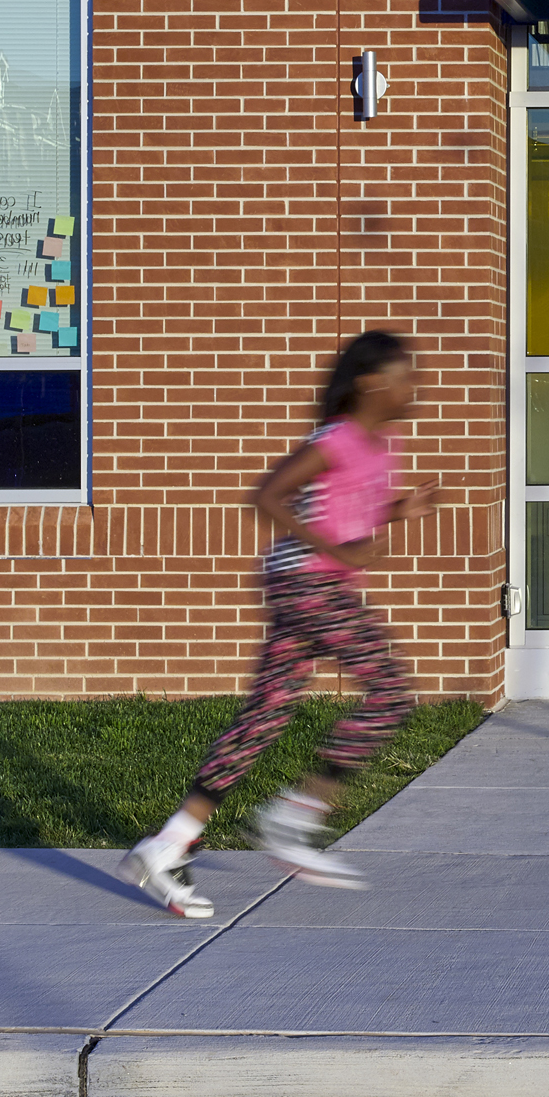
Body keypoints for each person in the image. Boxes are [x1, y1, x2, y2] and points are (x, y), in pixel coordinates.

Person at [124, 328, 441, 918]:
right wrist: (340, 553)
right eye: (407, 374)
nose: (416, 385)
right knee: (392, 690)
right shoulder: (338, 439)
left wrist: (403, 510)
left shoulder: (380, 445)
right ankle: (292, 819)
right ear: (373, 383)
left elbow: (356, 509)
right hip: (306, 583)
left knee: (266, 716)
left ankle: (166, 846)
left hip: (313, 585)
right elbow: (268, 495)